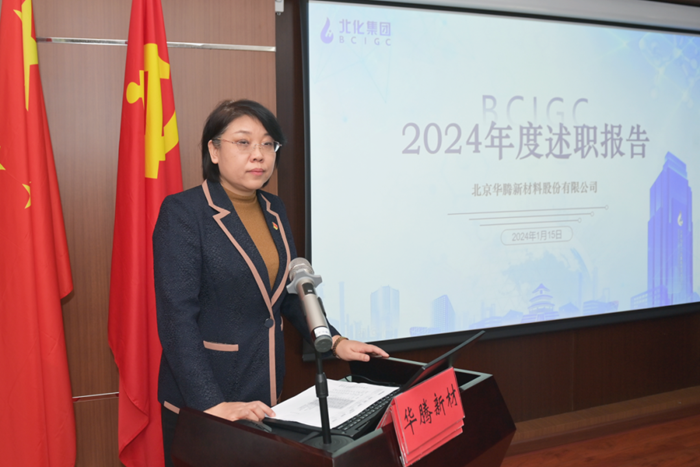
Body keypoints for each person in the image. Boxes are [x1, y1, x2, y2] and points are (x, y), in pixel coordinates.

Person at [153, 99, 388, 466]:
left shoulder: (273, 209)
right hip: (207, 401)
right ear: (213, 150)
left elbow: (290, 293)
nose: (258, 154)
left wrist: (334, 340)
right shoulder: (184, 212)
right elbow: (176, 319)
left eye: (267, 144)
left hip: (265, 391)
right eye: (243, 142)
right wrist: (211, 404)